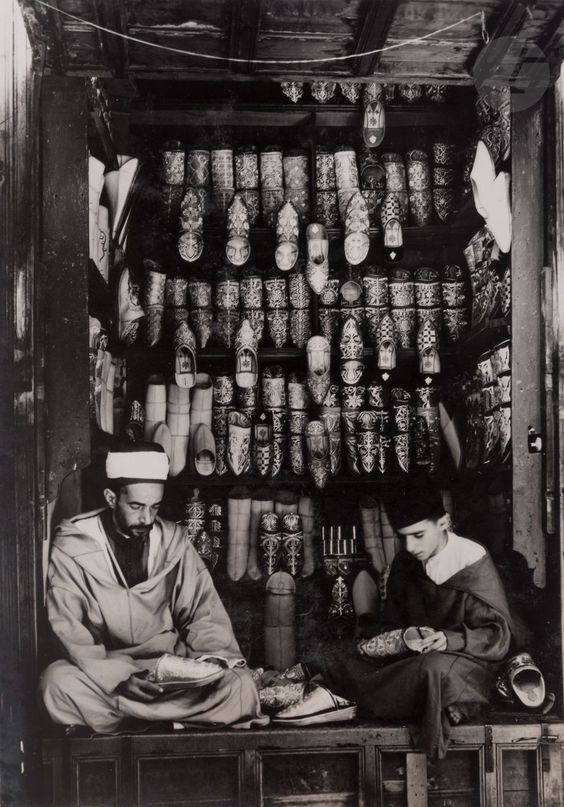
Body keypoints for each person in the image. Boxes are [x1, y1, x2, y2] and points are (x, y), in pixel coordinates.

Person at [275, 476, 519, 758]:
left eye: (418, 535)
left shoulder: (472, 559)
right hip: (411, 654)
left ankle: (346, 695)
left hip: (466, 658)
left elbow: (496, 635)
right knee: (342, 654)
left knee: (433, 672)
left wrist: (449, 639)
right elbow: (391, 620)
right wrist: (383, 639)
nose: (411, 546)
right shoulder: (406, 560)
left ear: (443, 523)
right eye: (403, 537)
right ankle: (346, 695)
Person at [40, 443, 268, 733]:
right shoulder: (73, 544)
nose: (147, 519)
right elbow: (69, 630)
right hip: (108, 670)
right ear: (112, 497)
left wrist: (212, 660)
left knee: (239, 686)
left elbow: (203, 614)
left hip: (169, 668)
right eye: (136, 507)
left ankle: (131, 720)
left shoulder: (173, 541)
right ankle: (172, 720)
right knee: (55, 683)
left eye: (154, 507)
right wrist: (119, 677)